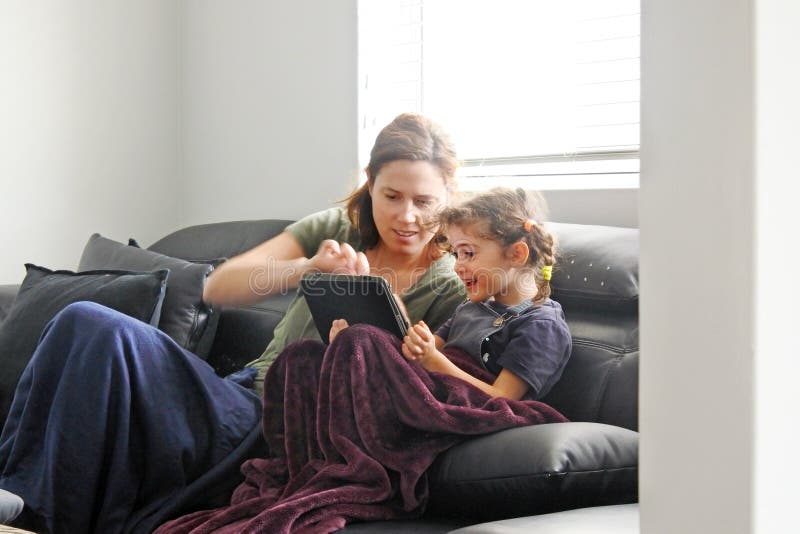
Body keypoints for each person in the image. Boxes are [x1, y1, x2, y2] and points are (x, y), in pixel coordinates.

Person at [0, 113, 467, 533]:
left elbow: (428, 398)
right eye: (391, 196)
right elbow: (220, 287)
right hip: (237, 395)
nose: (407, 217)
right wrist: (304, 270)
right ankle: (17, 502)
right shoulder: (337, 229)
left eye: (424, 201)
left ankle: (29, 515)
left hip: (282, 427)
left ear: (448, 196)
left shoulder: (453, 282)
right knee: (78, 325)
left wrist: (374, 331)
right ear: (369, 183)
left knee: (90, 323)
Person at [156, 187, 572, 533]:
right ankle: (304, 464)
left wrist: (425, 360)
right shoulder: (471, 307)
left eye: (468, 253)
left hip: (469, 398)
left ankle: (354, 467)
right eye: (457, 254)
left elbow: (504, 400)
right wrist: (358, 345)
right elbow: (417, 353)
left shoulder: (540, 324)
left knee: (364, 342)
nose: (459, 266)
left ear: (517, 254)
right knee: (302, 356)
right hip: (435, 384)